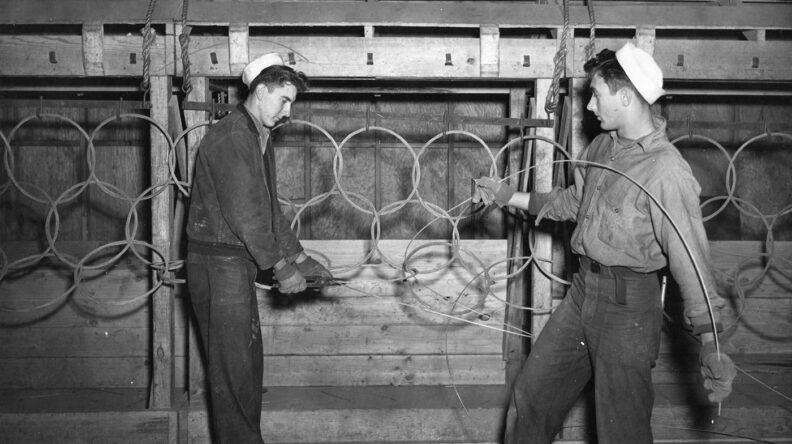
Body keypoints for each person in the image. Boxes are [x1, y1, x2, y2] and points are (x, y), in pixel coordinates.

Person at [473, 42, 736, 443]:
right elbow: (572, 203)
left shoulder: (666, 173)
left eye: (596, 94)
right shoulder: (602, 148)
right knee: (532, 396)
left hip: (628, 308)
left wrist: (710, 341)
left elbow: (692, 263)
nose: (590, 106)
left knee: (621, 429)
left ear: (626, 97)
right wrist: (508, 196)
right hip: (582, 295)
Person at [185, 52, 332, 443]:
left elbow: (269, 210)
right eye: (283, 100)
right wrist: (282, 269)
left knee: (246, 370)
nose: (287, 111)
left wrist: (300, 257)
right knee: (234, 377)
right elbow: (247, 215)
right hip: (219, 266)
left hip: (234, 267)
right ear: (261, 90)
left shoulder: (257, 137)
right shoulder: (234, 136)